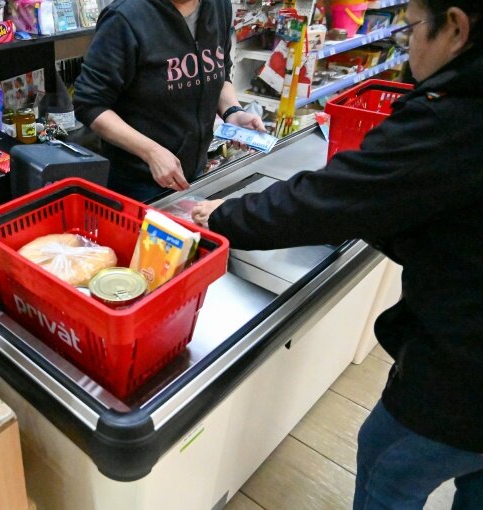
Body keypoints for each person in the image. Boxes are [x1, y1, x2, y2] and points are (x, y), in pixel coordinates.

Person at [191, 1, 483, 508]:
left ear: (455, 27)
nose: (406, 43)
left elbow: (329, 200)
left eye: (412, 27)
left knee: (387, 466)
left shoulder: (456, 114)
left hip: (463, 376)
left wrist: (219, 217)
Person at [72, 0, 264, 201]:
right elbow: (89, 103)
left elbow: (219, 72)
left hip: (193, 171)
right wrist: (151, 152)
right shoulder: (125, 17)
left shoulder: (218, 6)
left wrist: (232, 112)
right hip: (138, 181)